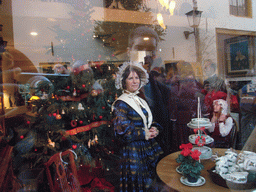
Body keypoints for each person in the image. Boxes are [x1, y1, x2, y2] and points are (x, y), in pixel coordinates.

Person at [112, 61, 163, 191]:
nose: (135, 81)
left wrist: (154, 129)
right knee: (138, 186)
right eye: (130, 78)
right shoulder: (121, 103)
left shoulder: (140, 100)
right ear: (124, 82)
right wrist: (144, 133)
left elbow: (149, 120)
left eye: (137, 78)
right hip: (132, 152)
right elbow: (121, 131)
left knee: (150, 184)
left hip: (146, 147)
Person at [127, 26, 171, 155]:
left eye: (150, 51)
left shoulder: (163, 91)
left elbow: (164, 129)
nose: (145, 56)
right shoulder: (114, 88)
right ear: (129, 51)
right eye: (140, 48)